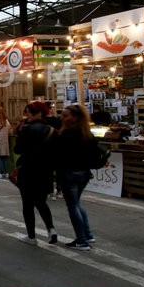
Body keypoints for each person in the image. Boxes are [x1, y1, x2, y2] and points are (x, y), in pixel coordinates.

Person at [13, 102, 58, 246]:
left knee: (27, 204)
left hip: (28, 169)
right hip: (45, 170)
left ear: (38, 113)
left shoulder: (26, 129)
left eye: (29, 112)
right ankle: (51, 228)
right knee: (41, 201)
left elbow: (17, 149)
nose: (27, 115)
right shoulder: (52, 130)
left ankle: (31, 236)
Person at [52, 104, 96, 250]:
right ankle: (87, 234)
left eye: (65, 116)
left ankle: (82, 240)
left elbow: (57, 153)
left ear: (75, 118)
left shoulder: (66, 135)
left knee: (73, 205)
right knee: (76, 203)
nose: (62, 118)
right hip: (84, 172)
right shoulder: (87, 134)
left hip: (69, 172)